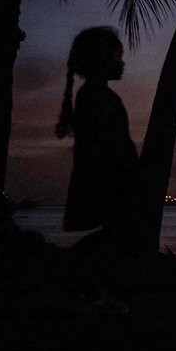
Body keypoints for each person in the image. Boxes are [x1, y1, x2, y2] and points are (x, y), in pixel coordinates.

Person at [55, 26, 137, 313]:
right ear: (102, 59)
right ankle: (72, 273)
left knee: (115, 234)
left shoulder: (96, 95)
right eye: (117, 56)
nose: (122, 62)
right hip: (106, 177)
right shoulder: (95, 97)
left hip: (107, 175)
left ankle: (93, 289)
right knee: (114, 234)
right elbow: (107, 141)